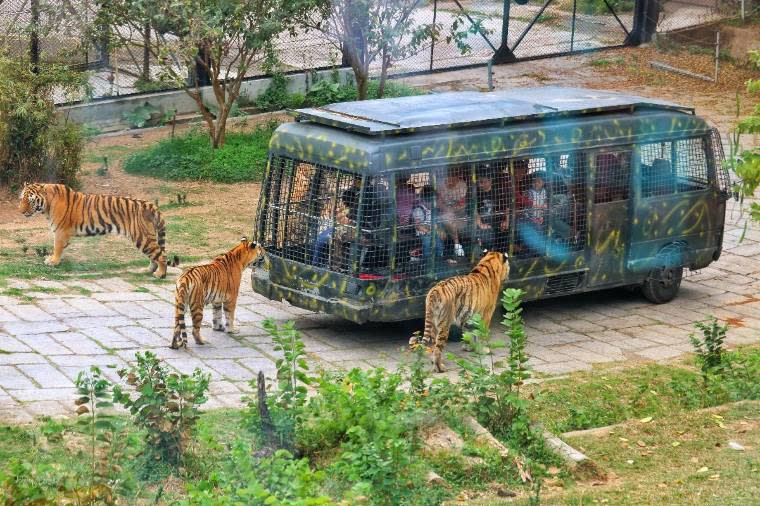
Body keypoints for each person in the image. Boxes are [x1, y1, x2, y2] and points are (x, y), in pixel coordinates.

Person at [311, 188, 357, 268]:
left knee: (320, 240)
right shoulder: (346, 208)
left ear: (345, 201)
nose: (342, 203)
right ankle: (319, 263)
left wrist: (339, 214)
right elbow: (337, 218)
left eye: (343, 201)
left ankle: (316, 265)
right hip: (339, 228)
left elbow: (343, 221)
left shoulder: (352, 210)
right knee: (319, 239)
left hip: (345, 231)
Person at [437, 166, 469, 257]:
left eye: (452, 179)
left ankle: (456, 245)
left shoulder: (462, 185)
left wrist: (453, 209)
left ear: (457, 178)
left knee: (453, 220)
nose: (450, 181)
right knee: (448, 218)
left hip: (460, 214)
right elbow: (439, 203)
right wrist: (448, 209)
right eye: (447, 179)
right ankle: (457, 244)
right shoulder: (440, 184)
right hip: (444, 214)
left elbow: (462, 204)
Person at [475, 169, 510, 251]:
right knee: (486, 235)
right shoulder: (476, 193)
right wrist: (480, 225)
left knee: (504, 232)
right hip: (484, 223)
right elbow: (475, 211)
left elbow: (506, 207)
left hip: (497, 221)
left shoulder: (498, 192)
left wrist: (506, 221)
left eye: (482, 182)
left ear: (490, 181)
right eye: (479, 182)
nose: (480, 185)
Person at [411, 185, 444, 261]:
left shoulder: (434, 210)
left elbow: (437, 223)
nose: (433, 204)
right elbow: (418, 226)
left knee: (439, 241)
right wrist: (429, 232)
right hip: (423, 232)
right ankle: (427, 260)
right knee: (428, 240)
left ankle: (438, 258)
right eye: (431, 202)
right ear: (424, 201)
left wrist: (440, 230)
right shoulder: (419, 210)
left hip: (433, 231)